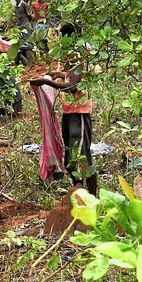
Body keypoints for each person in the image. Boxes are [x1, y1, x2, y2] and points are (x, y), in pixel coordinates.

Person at [28, 22, 96, 194]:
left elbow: (72, 86)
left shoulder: (77, 57)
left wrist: (46, 81)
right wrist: (58, 75)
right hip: (70, 112)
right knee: (70, 160)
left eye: (60, 35)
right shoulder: (69, 57)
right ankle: (79, 194)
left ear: (68, 37)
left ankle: (92, 197)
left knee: (82, 158)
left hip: (79, 112)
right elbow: (71, 77)